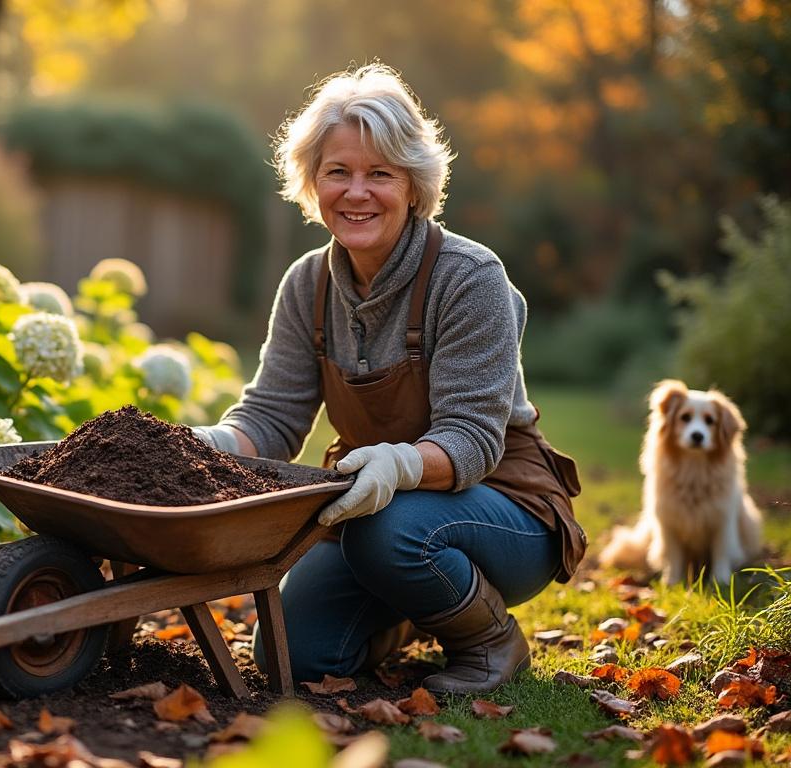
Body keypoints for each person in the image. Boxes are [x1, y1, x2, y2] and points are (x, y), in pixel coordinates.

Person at [193, 63, 585, 694]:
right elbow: (271, 417)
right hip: (370, 505)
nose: (357, 192)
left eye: (380, 173)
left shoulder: (469, 277)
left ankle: (490, 643)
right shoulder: (307, 284)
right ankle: (412, 606)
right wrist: (203, 448)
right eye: (338, 172)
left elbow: (473, 440)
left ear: (413, 185)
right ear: (312, 181)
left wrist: (397, 464)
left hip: (504, 508)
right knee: (293, 654)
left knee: (390, 530)